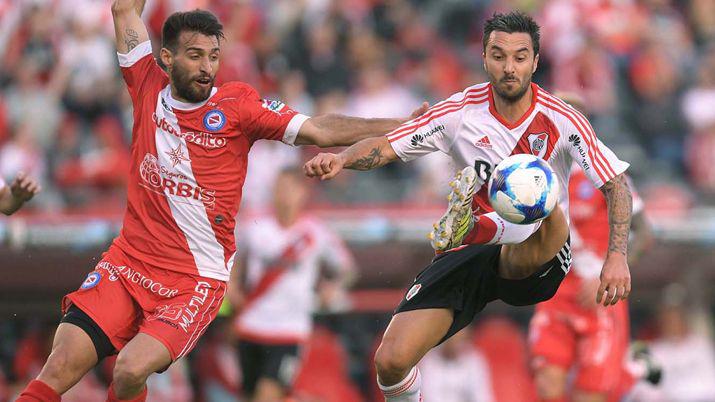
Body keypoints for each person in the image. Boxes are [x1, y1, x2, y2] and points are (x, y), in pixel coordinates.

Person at [15, 2, 426, 401]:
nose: (207, 67)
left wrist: (401, 123)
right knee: (60, 365)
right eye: (195, 56)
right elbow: (124, 10)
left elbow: (319, 128)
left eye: (213, 56)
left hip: (194, 280)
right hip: (128, 264)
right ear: (167, 57)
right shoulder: (146, 86)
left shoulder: (238, 106)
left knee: (128, 370)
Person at [304, 11, 633, 401]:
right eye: (499, 55)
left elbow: (616, 185)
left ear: (535, 61)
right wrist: (342, 159)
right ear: (483, 56)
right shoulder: (459, 111)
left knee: (539, 195)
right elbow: (388, 145)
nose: (509, 67)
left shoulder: (561, 119)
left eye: (519, 56)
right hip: (469, 254)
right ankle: (471, 231)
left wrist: (617, 256)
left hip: (538, 254)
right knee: (390, 362)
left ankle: (477, 226)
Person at [528, 93, 657, 402]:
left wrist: (609, 271)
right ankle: (630, 366)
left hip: (598, 297)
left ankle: (632, 369)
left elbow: (645, 233)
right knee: (548, 388)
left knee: (589, 396)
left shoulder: (607, 171)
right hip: (555, 296)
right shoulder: (532, 173)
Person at [230, 167, 356, 402]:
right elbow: (235, 258)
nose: (283, 194)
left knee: (267, 395)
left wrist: (332, 287)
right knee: (249, 395)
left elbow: (347, 268)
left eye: (289, 188)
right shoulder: (255, 226)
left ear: (302, 193)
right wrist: (233, 285)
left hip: (290, 330)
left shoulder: (315, 232)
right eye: (279, 188)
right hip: (251, 324)